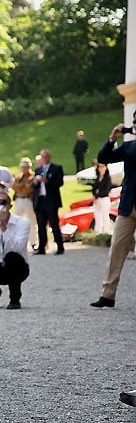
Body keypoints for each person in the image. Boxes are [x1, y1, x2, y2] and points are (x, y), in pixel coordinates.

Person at [90, 119, 136, 308]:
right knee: (116, 247)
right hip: (127, 205)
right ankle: (108, 294)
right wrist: (112, 137)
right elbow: (104, 157)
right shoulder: (129, 146)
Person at [32, 148, 64, 255]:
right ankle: (42, 247)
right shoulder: (38, 170)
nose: (44, 158)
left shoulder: (56, 168)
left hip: (51, 200)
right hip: (40, 201)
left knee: (54, 224)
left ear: (49, 157)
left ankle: (60, 246)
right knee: (41, 225)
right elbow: (33, 187)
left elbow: (59, 182)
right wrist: (36, 182)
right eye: (43, 157)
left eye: (46, 156)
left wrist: (47, 181)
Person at [11, 157, 38, 250]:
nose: (24, 168)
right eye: (23, 167)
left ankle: (33, 242)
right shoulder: (19, 176)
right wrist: (22, 186)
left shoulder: (32, 176)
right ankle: (19, 242)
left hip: (27, 200)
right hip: (19, 199)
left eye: (26, 167)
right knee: (17, 221)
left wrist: (22, 187)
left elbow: (29, 189)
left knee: (31, 221)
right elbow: (14, 186)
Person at [92, 161, 113, 234]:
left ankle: (106, 232)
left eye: (102, 167)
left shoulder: (107, 178)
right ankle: (97, 232)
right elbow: (94, 188)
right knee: (97, 217)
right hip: (97, 200)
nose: (100, 169)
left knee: (105, 217)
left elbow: (106, 190)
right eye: (99, 167)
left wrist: (97, 195)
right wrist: (94, 196)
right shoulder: (98, 178)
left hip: (104, 199)